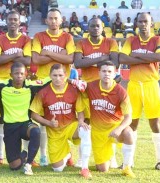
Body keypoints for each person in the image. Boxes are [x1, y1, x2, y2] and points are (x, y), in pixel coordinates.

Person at [119, 12, 160, 171]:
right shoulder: (131, 40)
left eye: (146, 21)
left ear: (151, 23)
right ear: (136, 24)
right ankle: (129, 161)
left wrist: (136, 55)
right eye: (140, 21)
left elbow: (159, 57)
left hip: (151, 85)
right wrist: (148, 57)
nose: (143, 24)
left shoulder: (158, 39)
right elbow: (122, 59)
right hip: (133, 85)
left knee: (155, 123)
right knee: (132, 123)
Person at [30, 64, 92, 179]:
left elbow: (80, 110)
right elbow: (34, 114)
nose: (57, 78)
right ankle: (68, 155)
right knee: (57, 169)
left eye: (60, 75)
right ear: (50, 76)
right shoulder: (43, 92)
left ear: (65, 75)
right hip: (54, 131)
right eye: (54, 75)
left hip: (70, 126)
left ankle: (84, 168)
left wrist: (81, 121)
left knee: (85, 130)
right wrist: (48, 123)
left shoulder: (73, 90)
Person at [32, 8, 75, 166]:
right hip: (43, 83)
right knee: (43, 120)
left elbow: (70, 59)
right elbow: (36, 59)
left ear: (61, 20)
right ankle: (42, 156)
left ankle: (68, 154)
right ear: (46, 20)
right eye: (50, 18)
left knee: (65, 118)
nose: (53, 21)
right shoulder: (39, 36)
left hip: (63, 83)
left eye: (56, 18)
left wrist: (48, 53)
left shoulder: (67, 37)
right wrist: (60, 55)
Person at [73, 17, 119, 168]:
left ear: (103, 27)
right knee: (85, 122)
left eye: (98, 26)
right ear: (88, 28)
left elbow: (114, 63)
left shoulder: (110, 42)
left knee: (107, 122)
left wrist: (90, 61)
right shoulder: (81, 43)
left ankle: (111, 157)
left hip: (106, 87)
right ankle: (81, 158)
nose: (95, 28)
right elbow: (78, 63)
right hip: (87, 88)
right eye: (92, 26)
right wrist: (102, 58)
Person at [0, 62, 47, 175]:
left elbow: (50, 80)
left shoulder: (30, 86)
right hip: (10, 127)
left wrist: (71, 80)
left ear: (26, 74)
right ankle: (24, 154)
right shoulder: (2, 86)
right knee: (14, 166)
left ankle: (29, 164)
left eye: (22, 73)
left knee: (36, 131)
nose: (19, 76)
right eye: (16, 73)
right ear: (11, 74)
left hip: (25, 124)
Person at [0, 10, 31, 166]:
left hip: (21, 83)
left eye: (16, 19)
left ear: (19, 22)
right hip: (2, 83)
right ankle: (0, 156)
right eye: (10, 19)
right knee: (1, 119)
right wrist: (16, 55)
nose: (13, 21)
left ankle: (27, 153)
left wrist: (5, 57)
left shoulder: (26, 39)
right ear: (5, 22)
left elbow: (27, 61)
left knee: (25, 117)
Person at [84, 60, 135, 177]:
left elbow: (128, 117)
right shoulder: (90, 86)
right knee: (102, 169)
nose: (106, 74)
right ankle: (109, 155)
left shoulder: (121, 92)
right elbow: (75, 89)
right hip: (98, 132)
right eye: (104, 71)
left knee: (128, 133)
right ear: (99, 72)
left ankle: (127, 167)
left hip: (115, 129)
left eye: (109, 71)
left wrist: (119, 129)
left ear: (114, 73)